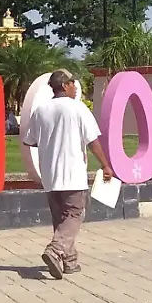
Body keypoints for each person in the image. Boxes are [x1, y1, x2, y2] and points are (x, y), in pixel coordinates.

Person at [20, 69, 112, 279]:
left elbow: (29, 140)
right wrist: (105, 165)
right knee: (74, 215)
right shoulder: (77, 108)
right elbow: (92, 141)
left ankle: (69, 262)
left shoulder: (41, 110)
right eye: (72, 83)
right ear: (64, 85)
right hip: (72, 173)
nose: (75, 87)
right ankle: (55, 249)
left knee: (61, 219)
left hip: (50, 175)